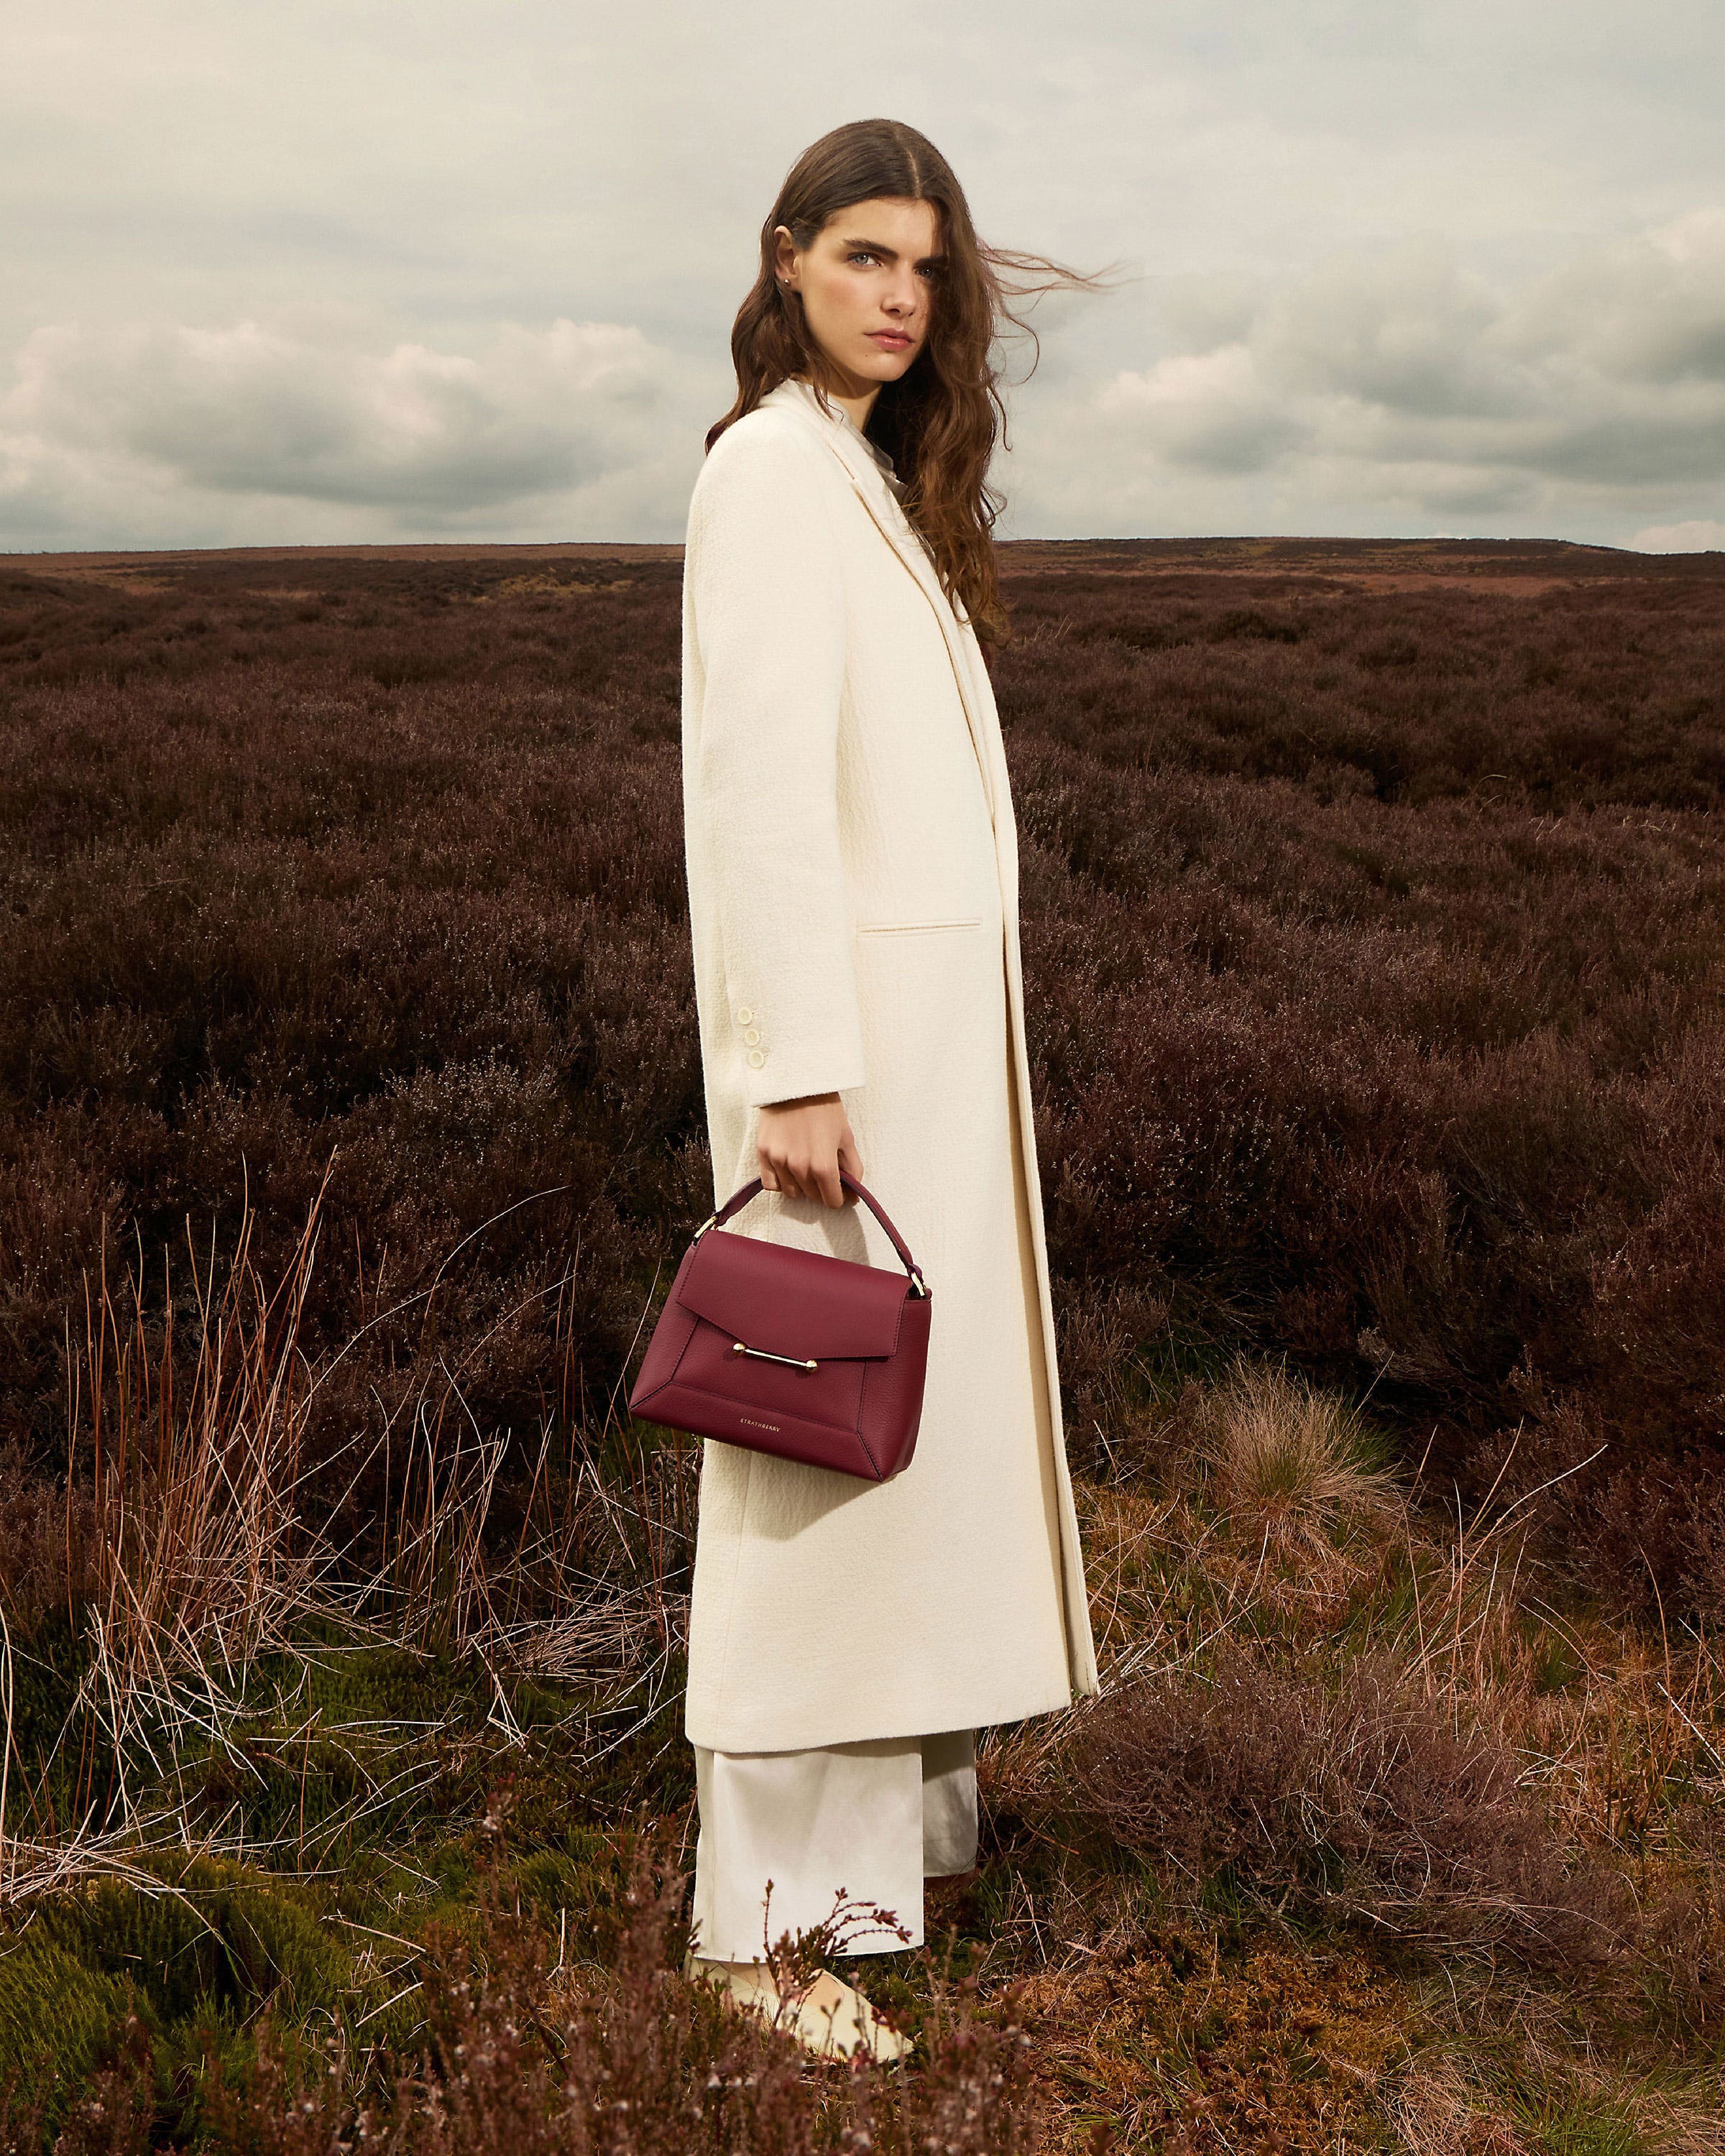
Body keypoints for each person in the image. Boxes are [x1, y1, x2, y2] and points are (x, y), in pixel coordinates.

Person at [676, 116, 1110, 2062]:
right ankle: (760, 1938)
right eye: (864, 258)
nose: (900, 298)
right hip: (846, 1067)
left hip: (912, 1052)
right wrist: (799, 1073)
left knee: (889, 1456)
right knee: (810, 1467)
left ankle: (870, 1869)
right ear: (784, 263)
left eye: (924, 269)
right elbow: (763, 789)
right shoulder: (772, 474)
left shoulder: (862, 479)